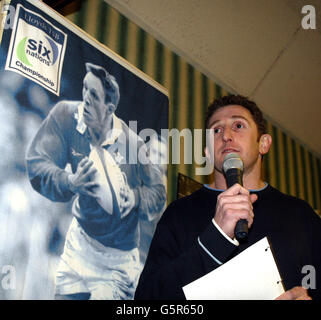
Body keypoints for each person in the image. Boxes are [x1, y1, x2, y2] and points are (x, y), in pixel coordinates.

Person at [134, 94, 321, 300]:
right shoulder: (179, 213)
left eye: (238, 126)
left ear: (264, 143)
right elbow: (146, 299)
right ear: (207, 152)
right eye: (217, 130)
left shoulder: (301, 215)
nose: (226, 136)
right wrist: (215, 238)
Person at [26, 62, 166, 300]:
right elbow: (37, 163)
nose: (86, 99)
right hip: (80, 242)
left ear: (110, 108)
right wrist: (69, 181)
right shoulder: (65, 115)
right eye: (85, 89)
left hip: (117, 260)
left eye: (94, 94)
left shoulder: (134, 146)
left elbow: (158, 194)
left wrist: (134, 198)